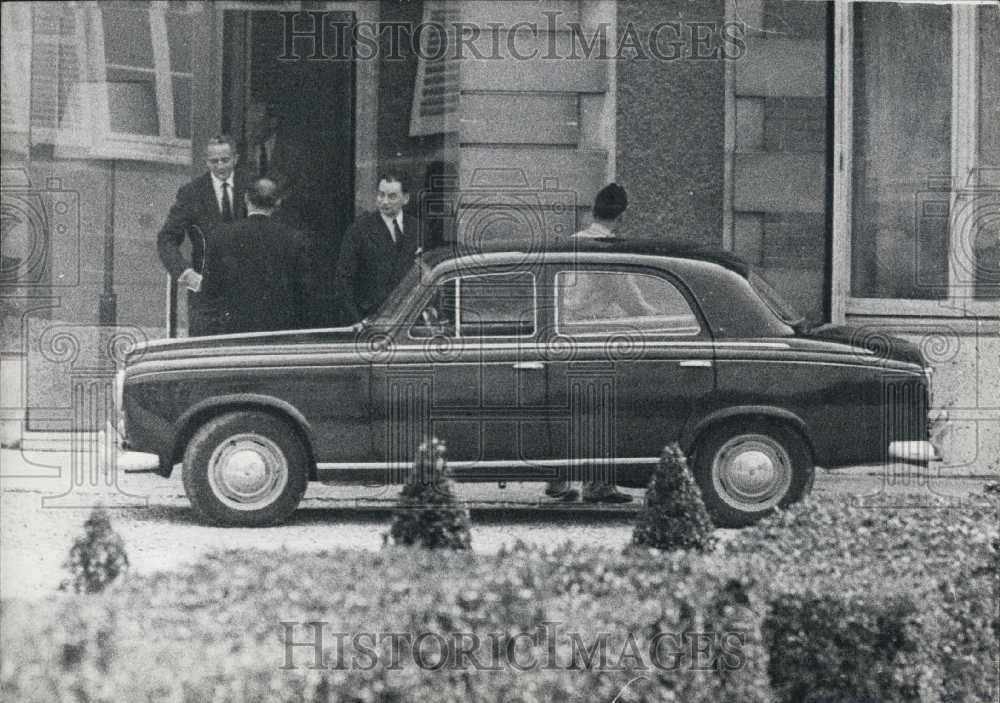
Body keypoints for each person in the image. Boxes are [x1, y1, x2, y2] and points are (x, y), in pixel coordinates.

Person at [546, 182, 635, 504]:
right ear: (622, 216)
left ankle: (557, 480)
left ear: (594, 211)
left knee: (565, 409)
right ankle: (598, 485)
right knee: (599, 412)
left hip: (561, 334)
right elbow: (631, 300)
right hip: (596, 338)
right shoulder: (607, 248)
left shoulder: (572, 243)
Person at [157, 135, 246, 336]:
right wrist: (185, 273)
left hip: (245, 290)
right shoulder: (192, 193)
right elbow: (167, 238)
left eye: (226, 160)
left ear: (236, 158)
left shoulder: (249, 187)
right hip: (206, 293)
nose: (220, 166)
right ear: (206, 162)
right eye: (214, 161)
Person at [202, 177, 309, 334]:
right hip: (279, 333)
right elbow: (302, 292)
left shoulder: (220, 235)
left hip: (233, 332)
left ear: (246, 198)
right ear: (278, 202)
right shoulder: (294, 239)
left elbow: (210, 290)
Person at [335, 173, 420, 324]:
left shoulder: (418, 229)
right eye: (381, 195)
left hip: (409, 323)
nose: (384, 202)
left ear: (405, 199)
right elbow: (344, 280)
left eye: (392, 196)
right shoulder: (359, 230)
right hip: (371, 321)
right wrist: (356, 321)